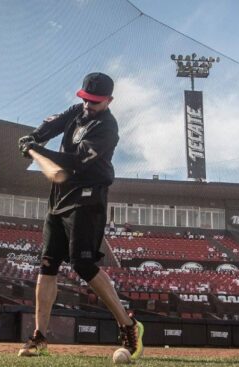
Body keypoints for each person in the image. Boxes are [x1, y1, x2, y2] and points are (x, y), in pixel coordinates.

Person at [16, 72, 144, 359]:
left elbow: (75, 163)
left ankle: (128, 324)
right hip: (59, 197)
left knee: (83, 264)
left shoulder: (107, 129)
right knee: (47, 265)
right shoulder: (79, 110)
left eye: (95, 102)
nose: (88, 105)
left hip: (88, 196)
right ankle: (39, 337)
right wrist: (34, 137)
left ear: (109, 101)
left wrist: (37, 150)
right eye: (85, 99)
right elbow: (53, 123)